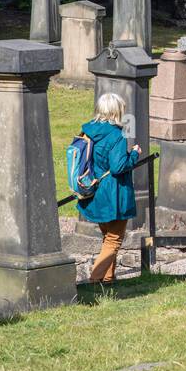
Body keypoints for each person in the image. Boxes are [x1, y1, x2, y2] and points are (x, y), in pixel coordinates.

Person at [78, 92, 141, 284]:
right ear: (116, 111)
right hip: (113, 193)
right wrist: (134, 155)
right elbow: (118, 167)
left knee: (107, 237)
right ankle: (95, 280)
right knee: (114, 239)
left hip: (94, 191)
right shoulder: (117, 135)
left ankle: (108, 279)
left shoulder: (88, 131)